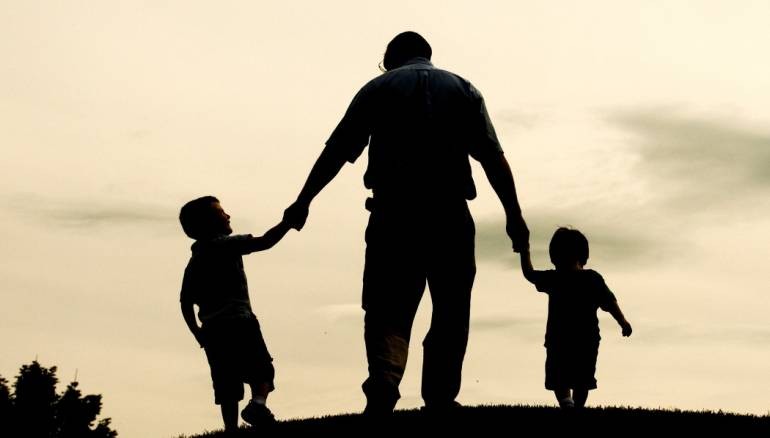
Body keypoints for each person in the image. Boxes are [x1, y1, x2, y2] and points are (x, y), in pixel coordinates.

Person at [283, 31, 529, 415]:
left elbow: (338, 150)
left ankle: (385, 379)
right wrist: (514, 215)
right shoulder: (464, 89)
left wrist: (304, 200)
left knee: (386, 306)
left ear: (390, 58)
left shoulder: (377, 88)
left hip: (394, 213)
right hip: (450, 215)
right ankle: (440, 397)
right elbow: (492, 157)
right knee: (451, 309)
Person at [179, 196, 290, 431]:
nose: (228, 215)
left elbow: (185, 302)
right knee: (261, 371)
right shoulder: (226, 245)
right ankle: (257, 405)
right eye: (221, 212)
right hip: (241, 323)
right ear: (208, 223)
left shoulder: (194, 261)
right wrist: (287, 223)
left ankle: (231, 429)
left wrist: (197, 332)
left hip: (213, 330)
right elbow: (266, 242)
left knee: (226, 383)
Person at [518, 227, 632, 409]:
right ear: (583, 256)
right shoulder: (592, 278)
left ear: (554, 256)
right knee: (581, 379)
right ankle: (575, 406)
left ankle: (567, 403)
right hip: (586, 340)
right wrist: (623, 322)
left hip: (560, 339)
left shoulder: (555, 278)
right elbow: (609, 302)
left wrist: (525, 251)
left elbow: (529, 274)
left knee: (561, 377)